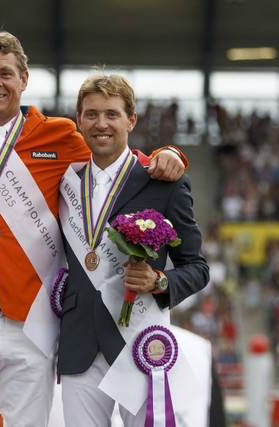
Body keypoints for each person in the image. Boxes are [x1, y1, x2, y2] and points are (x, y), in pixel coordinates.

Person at [0, 31, 187, 426]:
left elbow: (117, 164)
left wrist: (168, 155)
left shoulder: (60, 136)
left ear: (24, 79)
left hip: (31, 315)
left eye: (5, 73)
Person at [57, 72, 209, 426]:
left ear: (131, 119)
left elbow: (197, 268)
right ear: (79, 120)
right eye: (91, 114)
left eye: (111, 114)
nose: (101, 124)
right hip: (80, 343)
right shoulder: (62, 182)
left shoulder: (164, 182)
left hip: (140, 342)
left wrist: (159, 281)